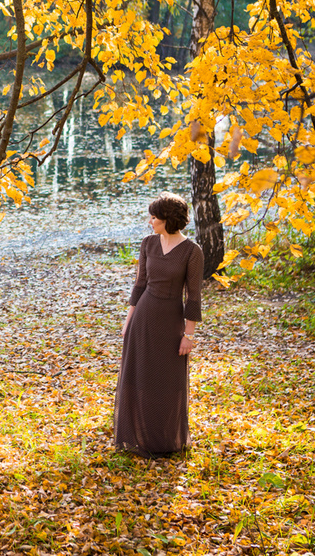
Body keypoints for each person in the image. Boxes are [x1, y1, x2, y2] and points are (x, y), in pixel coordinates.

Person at [114, 191, 204, 457]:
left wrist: (189, 335)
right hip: (143, 316)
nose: (150, 221)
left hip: (170, 320)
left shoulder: (192, 251)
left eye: (154, 217)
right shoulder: (148, 243)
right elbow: (139, 284)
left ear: (168, 219)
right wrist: (128, 321)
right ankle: (137, 435)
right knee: (138, 374)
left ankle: (164, 439)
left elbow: (194, 296)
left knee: (165, 380)